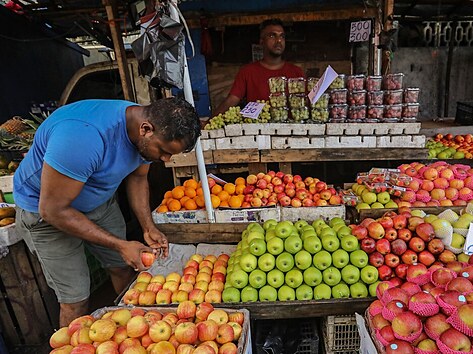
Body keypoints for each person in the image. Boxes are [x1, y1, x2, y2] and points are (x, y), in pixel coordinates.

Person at [13, 98, 201, 326]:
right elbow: (53, 210)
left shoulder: (145, 127)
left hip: (98, 201)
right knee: (75, 298)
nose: (165, 159)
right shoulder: (83, 138)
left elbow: (138, 177)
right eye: (163, 151)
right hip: (46, 213)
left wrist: (147, 226)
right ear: (146, 129)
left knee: (124, 269)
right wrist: (121, 245)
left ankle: (135, 330)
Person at [213, 18, 304, 116]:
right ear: (261, 41)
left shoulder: (296, 72)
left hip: (291, 130)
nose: (279, 40)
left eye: (282, 36)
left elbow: (309, 102)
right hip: (257, 130)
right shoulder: (247, 72)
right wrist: (210, 122)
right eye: (272, 35)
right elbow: (232, 100)